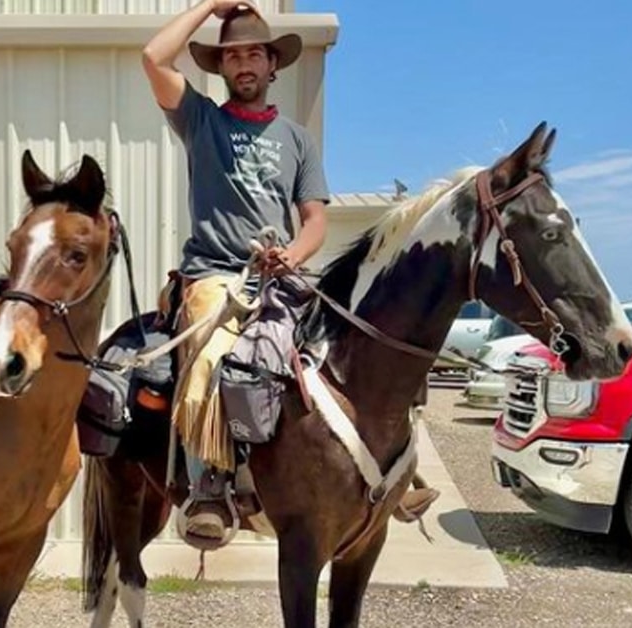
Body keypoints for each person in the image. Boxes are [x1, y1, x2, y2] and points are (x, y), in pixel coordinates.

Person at [142, 0, 438, 551]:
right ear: (221, 67)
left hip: (282, 274)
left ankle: (393, 472)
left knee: (350, 351)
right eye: (232, 55)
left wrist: (295, 257)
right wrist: (208, 6)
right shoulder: (201, 120)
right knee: (212, 351)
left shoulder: (298, 140)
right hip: (214, 273)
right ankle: (211, 482)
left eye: (254, 52)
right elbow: (154, 56)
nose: (244, 63)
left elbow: (315, 221)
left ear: (272, 65)